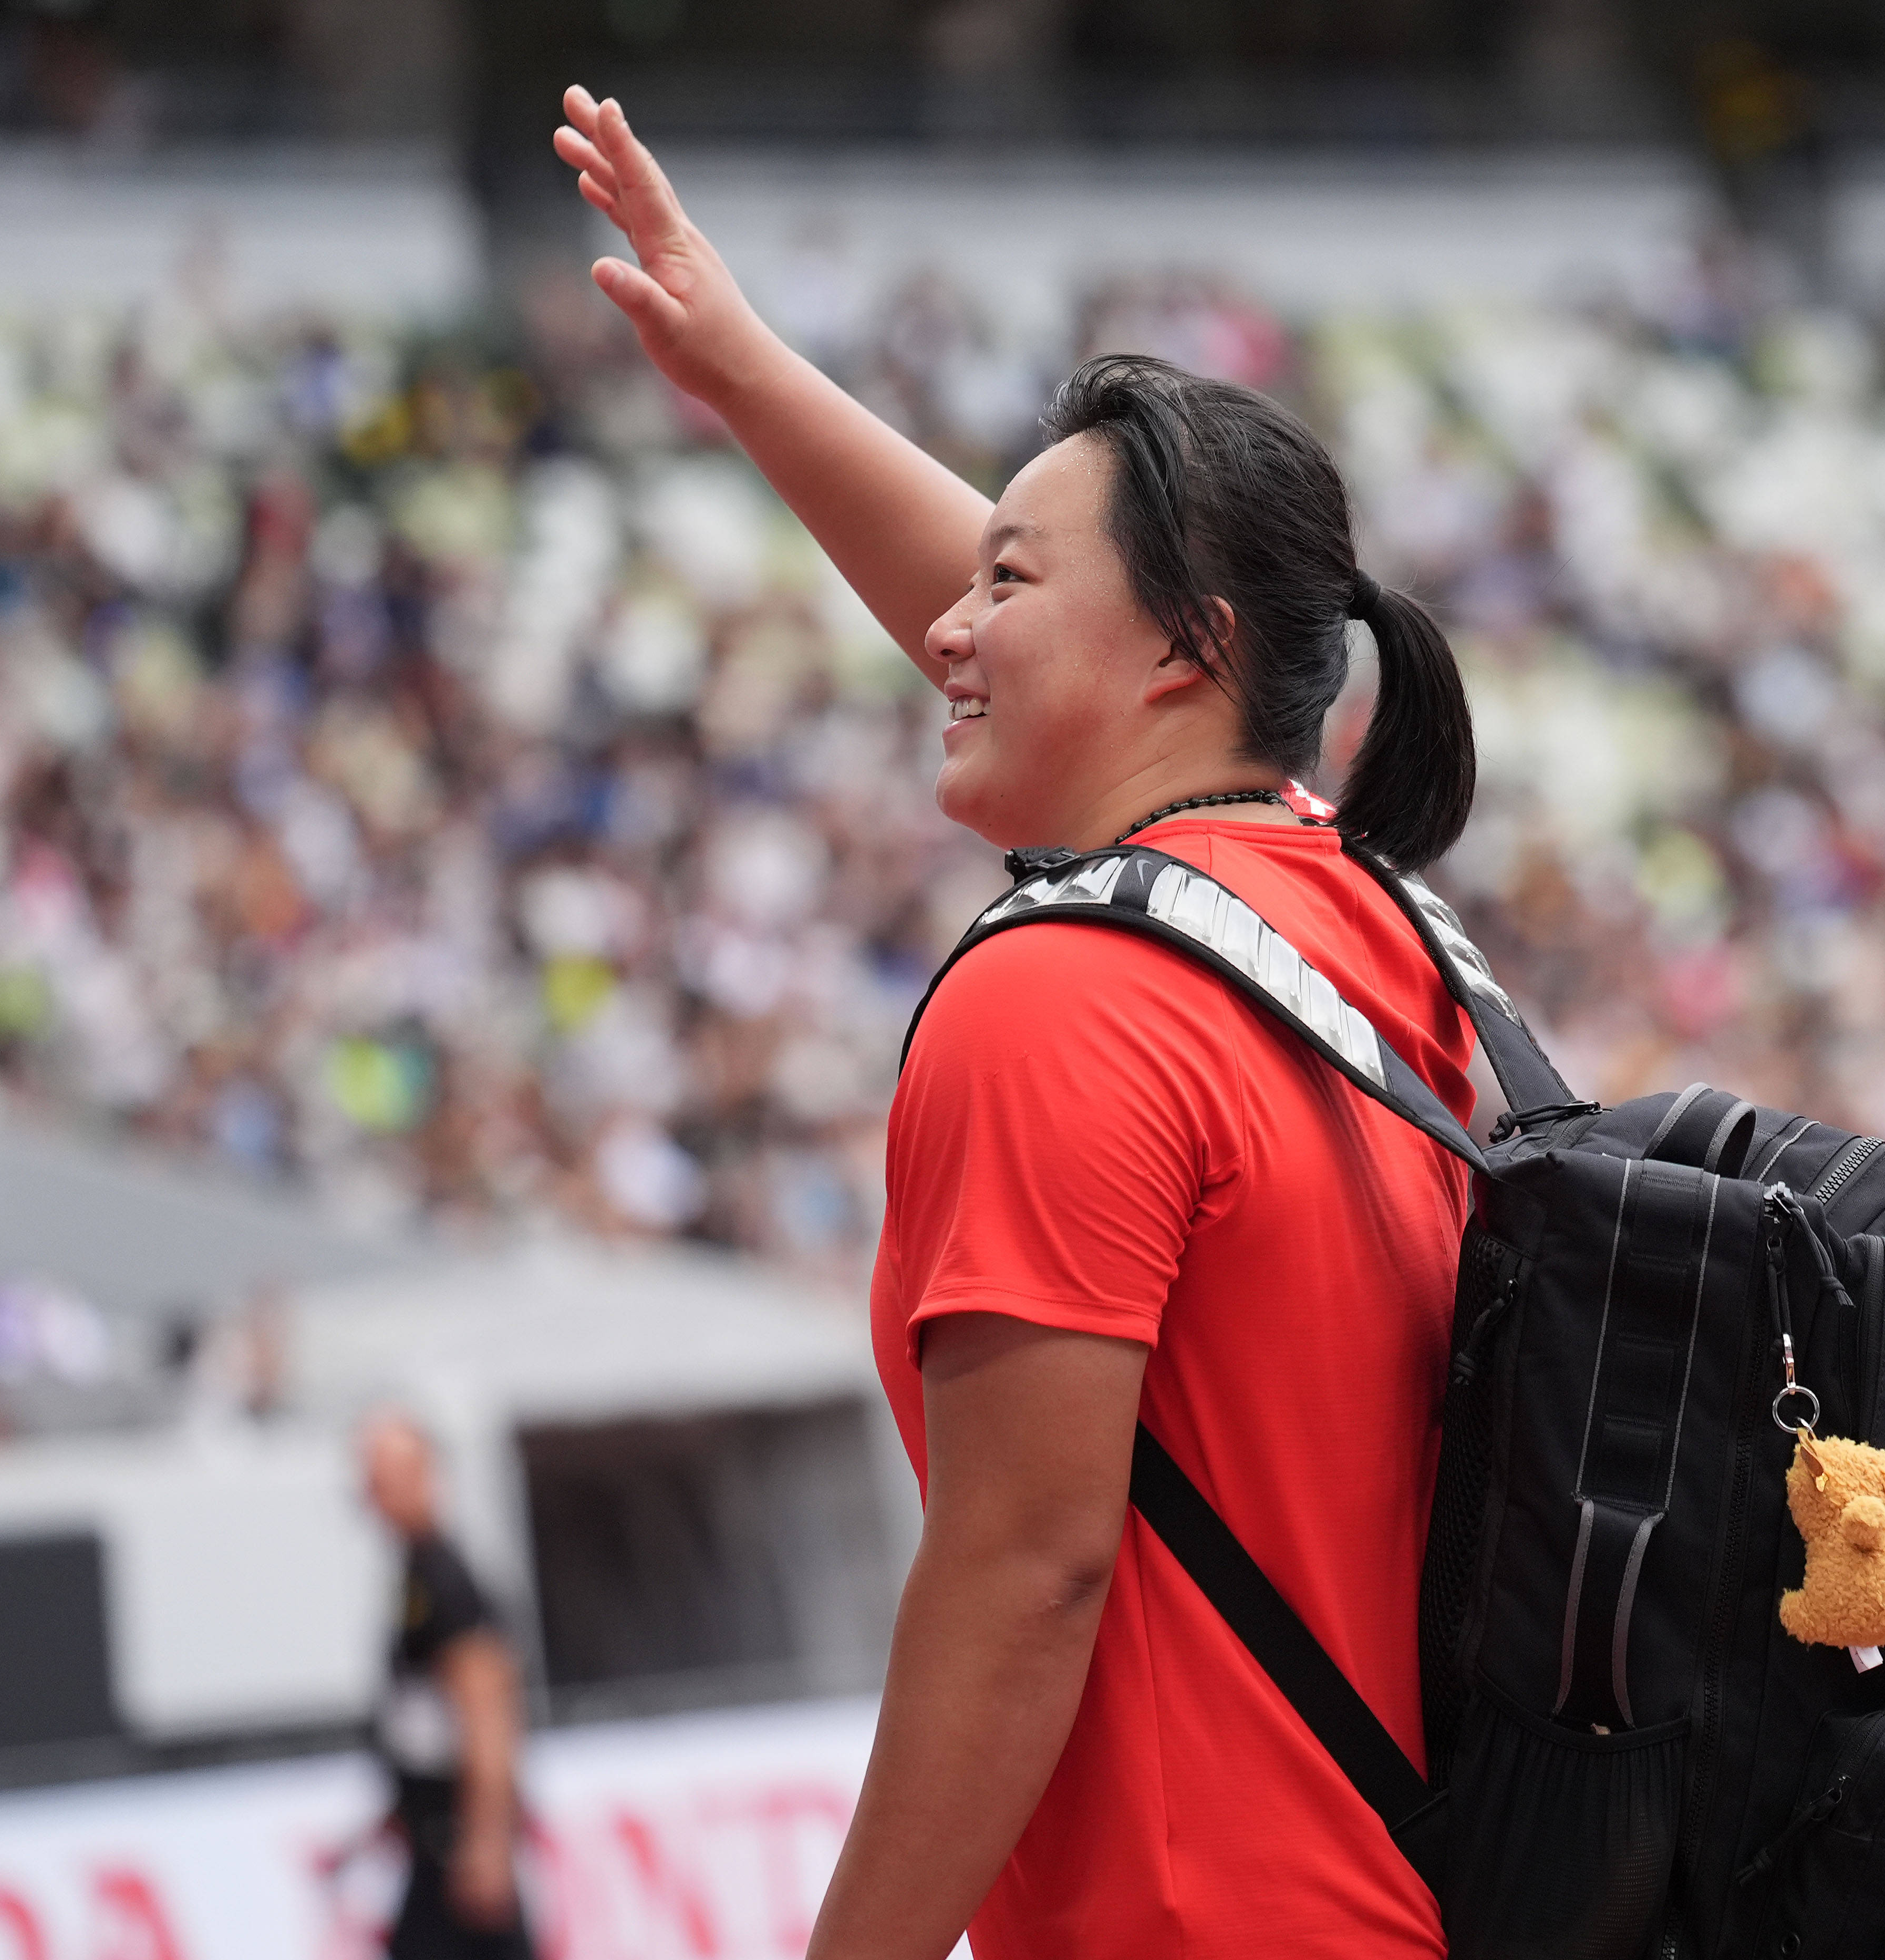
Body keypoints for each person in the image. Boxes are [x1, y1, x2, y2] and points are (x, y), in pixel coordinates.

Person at [556, 87, 1480, 1960]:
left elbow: (1028, 1574)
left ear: (1182, 654)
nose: (950, 633)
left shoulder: (1066, 997)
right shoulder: (1373, 931)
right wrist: (745, 375)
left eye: (1004, 581)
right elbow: (1066, 678)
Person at [358, 1411, 533, 1960]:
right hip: (433, 1837)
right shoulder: (412, 1573)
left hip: (455, 1841)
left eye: (385, 1475)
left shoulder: (445, 1578)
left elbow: (487, 1712)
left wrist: (487, 1840)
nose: (372, 1492)